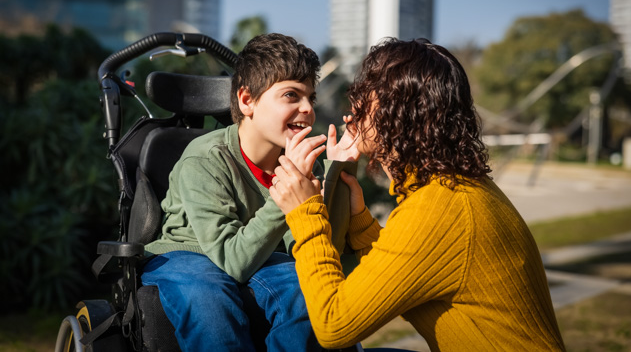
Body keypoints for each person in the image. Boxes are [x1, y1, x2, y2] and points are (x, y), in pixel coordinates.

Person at [269, 38, 566, 351]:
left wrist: (305, 212)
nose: (352, 111)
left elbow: (333, 325)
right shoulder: (454, 189)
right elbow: (406, 270)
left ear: (396, 114)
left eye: (365, 100)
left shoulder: (439, 210)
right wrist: (359, 221)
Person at [142, 33, 355, 351]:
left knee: (309, 291)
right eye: (291, 96)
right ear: (247, 100)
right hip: (188, 253)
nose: (307, 108)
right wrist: (287, 192)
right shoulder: (206, 157)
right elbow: (234, 261)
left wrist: (340, 169)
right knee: (209, 300)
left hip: (265, 256)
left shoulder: (302, 164)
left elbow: (319, 251)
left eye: (311, 97)